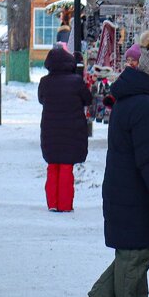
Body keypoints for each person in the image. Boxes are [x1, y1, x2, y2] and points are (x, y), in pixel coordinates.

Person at [82, 31, 149, 297]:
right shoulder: (145, 107)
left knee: (138, 249)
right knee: (136, 252)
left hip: (130, 189)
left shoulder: (138, 100)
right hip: (135, 192)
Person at [38, 44, 93, 213]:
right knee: (66, 167)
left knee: (52, 166)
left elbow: (41, 99)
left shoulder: (45, 82)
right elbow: (88, 99)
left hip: (50, 129)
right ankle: (65, 204)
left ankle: (52, 203)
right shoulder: (76, 82)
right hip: (72, 129)